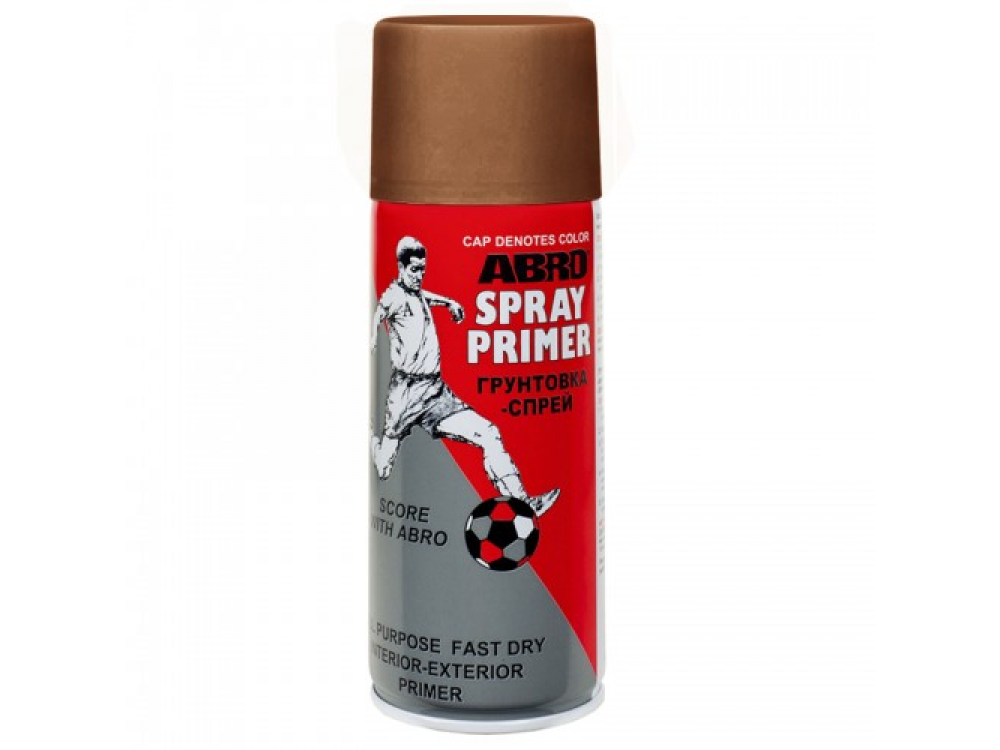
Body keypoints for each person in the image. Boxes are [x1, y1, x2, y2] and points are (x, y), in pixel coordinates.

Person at [371, 236, 560, 516]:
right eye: (414, 270)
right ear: (400, 267)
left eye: (423, 269)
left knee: (488, 433)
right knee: (383, 469)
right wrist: (371, 340)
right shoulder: (394, 296)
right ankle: (370, 438)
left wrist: (449, 303)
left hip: (436, 392)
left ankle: (523, 502)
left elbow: (425, 296)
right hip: (406, 394)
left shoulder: (417, 293)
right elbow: (379, 313)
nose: (419, 276)